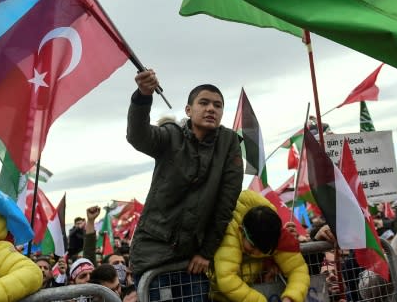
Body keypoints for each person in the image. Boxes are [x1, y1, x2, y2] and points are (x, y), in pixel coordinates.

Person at [126, 69, 244, 277]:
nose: (211, 109)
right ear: (188, 110)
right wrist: (143, 96)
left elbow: (226, 204)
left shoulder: (229, 144)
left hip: (193, 260)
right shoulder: (171, 136)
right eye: (204, 103)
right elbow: (138, 136)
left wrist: (206, 253)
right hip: (152, 256)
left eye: (218, 105)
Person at [212, 190, 309, 302]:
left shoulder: (276, 233)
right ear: (241, 230)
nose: (257, 253)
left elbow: (298, 270)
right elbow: (226, 279)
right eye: (253, 246)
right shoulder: (228, 229)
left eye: (264, 249)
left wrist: (291, 298)